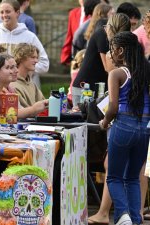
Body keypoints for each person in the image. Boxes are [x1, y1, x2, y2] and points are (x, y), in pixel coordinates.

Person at [99, 31, 150, 225]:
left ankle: (122, 216)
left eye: (112, 50)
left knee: (113, 177)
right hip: (145, 128)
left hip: (123, 126)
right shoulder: (148, 70)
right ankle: (135, 219)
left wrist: (104, 122)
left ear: (121, 51)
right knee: (132, 178)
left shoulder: (117, 74)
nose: (110, 54)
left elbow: (112, 107)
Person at [72, 14, 131, 108]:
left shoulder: (119, 41)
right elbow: (108, 68)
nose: (105, 28)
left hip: (99, 88)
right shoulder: (102, 35)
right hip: (85, 88)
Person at [0, 0, 49, 75]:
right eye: (2, 12)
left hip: (21, 84)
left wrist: (24, 67)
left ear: (17, 13)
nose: (4, 15)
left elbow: (44, 64)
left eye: (8, 11)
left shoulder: (30, 37)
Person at [0, 53, 47, 122]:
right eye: (8, 68)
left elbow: (11, 116)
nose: (16, 71)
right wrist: (32, 110)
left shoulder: (4, 89)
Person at [11, 43, 45, 107]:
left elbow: (44, 104)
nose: (36, 61)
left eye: (37, 57)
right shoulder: (13, 85)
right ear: (21, 57)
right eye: (33, 57)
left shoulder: (31, 83)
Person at [60, 0, 88, 65]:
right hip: (75, 54)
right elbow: (70, 35)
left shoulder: (93, 13)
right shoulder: (73, 13)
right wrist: (65, 55)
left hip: (87, 52)